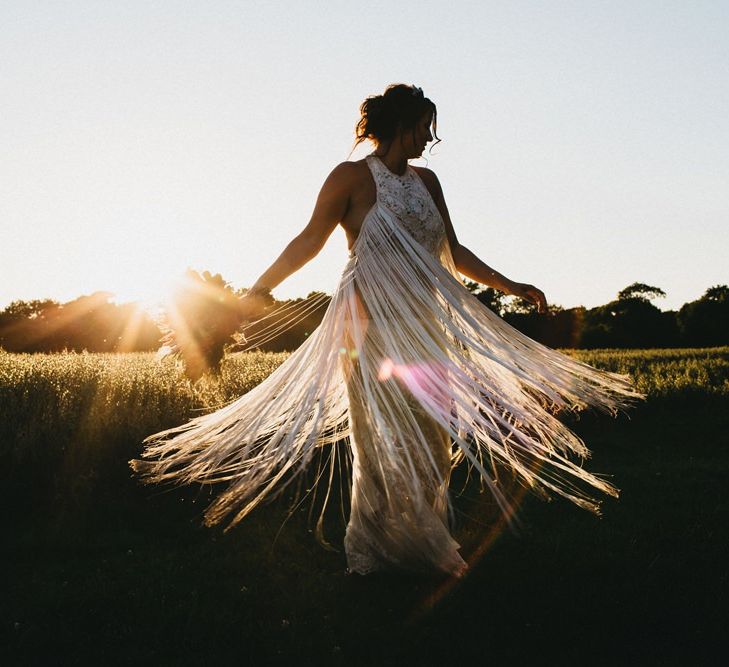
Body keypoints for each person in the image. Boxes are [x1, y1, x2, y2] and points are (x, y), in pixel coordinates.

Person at [129, 83, 644, 578]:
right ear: (401, 124)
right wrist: (257, 291)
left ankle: (419, 542)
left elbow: (454, 251)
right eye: (424, 127)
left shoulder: (428, 183)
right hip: (368, 321)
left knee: (430, 436)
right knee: (381, 436)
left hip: (424, 323)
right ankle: (383, 550)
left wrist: (508, 283)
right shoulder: (350, 177)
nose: (428, 138)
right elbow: (309, 240)